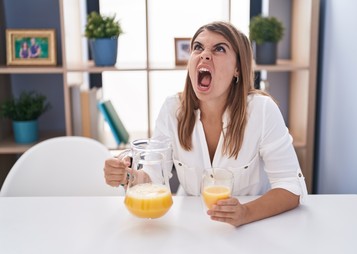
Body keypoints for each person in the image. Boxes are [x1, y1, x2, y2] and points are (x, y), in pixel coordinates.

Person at [104, 21, 307, 227]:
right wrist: (126, 175)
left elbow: (291, 187)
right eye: (198, 47)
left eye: (219, 49)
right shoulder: (172, 109)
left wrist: (245, 213)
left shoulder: (262, 110)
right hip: (193, 226)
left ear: (238, 68)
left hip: (253, 228)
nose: (205, 54)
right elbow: (153, 178)